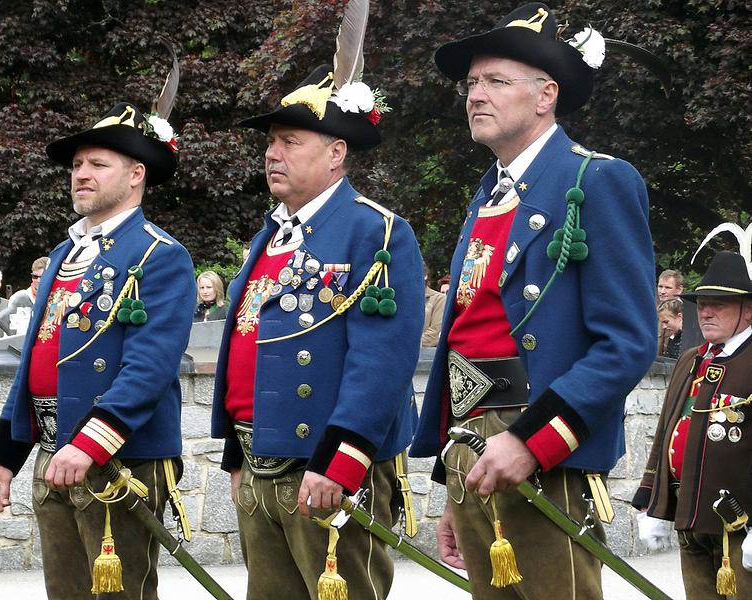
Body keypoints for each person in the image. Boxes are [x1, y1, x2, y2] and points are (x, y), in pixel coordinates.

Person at [409, 4, 658, 598]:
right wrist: (455, 489)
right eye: (471, 83)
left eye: (495, 81)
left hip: (543, 443)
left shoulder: (595, 181)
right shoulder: (488, 194)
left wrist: (533, 439)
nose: (475, 94)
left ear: (546, 94)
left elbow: (627, 342)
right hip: (472, 447)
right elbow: (469, 334)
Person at [210, 11, 424, 596]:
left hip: (325, 462)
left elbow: (382, 359)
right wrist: (235, 450)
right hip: (260, 459)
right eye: (271, 142)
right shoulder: (269, 236)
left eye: (289, 141)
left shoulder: (376, 232)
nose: (272, 154)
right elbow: (245, 346)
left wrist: (345, 456)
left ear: (335, 153)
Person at [0, 96, 195, 600]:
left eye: (98, 163)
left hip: (118, 457)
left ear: (137, 173)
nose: (82, 173)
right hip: (56, 452)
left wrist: (91, 443)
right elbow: (37, 359)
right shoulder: (63, 253)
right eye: (77, 165)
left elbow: (150, 367)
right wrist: (5, 454)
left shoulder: (160, 255)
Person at [633, 251, 752, 599]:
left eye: (719, 304)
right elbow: (665, 431)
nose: (706, 311)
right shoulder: (692, 359)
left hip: (741, 524)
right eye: (701, 303)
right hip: (691, 519)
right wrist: (651, 502)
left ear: (748, 308)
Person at [0, 257, 50, 335]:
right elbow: (11, 333)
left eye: (43, 277)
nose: (38, 280)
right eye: (35, 276)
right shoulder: (19, 298)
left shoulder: (59, 297)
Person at [423, 262, 445, 347]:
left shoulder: (438, 299)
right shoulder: (402, 299)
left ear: (425, 275)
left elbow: (434, 335)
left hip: (426, 356)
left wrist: (405, 344)